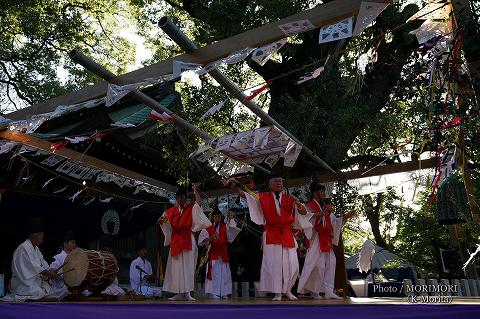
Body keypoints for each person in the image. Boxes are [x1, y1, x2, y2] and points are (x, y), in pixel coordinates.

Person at [228, 173, 312, 301]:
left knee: (292, 264)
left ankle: (288, 290)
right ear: (269, 184)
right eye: (276, 180)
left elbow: (304, 212)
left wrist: (299, 204)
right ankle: (277, 292)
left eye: (280, 180)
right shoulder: (262, 197)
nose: (279, 183)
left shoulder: (290, 198)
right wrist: (235, 187)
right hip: (271, 233)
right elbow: (246, 196)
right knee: (274, 264)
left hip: (287, 234)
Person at [297, 182, 355, 299]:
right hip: (316, 238)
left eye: (323, 191)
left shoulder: (325, 207)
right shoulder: (308, 206)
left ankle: (328, 290)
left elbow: (334, 221)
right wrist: (320, 213)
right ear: (314, 193)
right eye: (321, 191)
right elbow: (305, 218)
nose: (323, 194)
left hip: (326, 238)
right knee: (317, 265)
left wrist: (345, 217)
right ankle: (314, 291)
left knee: (330, 263)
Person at [158, 183, 211, 301]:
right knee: (176, 268)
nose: (179, 199)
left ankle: (187, 293)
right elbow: (163, 220)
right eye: (178, 197)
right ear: (176, 198)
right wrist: (161, 221)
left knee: (188, 267)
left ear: (185, 197)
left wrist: (195, 190)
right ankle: (178, 293)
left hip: (188, 238)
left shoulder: (191, 208)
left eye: (182, 197)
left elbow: (200, 204)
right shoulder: (171, 211)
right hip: (176, 240)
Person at [1, 218, 57, 302]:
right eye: (40, 234)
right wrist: (48, 273)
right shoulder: (23, 247)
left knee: (51, 292)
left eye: (42, 234)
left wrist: (50, 270)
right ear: (32, 236)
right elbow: (34, 266)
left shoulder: (36, 249)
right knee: (37, 292)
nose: (42, 237)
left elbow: (43, 263)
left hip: (34, 282)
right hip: (23, 283)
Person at [198, 208, 241, 299]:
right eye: (216, 216)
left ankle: (224, 293)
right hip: (213, 254)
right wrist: (210, 238)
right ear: (213, 218)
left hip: (223, 253)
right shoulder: (208, 228)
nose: (217, 218)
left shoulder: (225, 226)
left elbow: (232, 233)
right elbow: (201, 241)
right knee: (214, 274)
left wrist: (231, 218)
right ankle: (213, 292)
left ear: (221, 217)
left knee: (225, 274)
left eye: (219, 217)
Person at [49, 230, 76, 300]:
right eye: (72, 242)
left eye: (74, 243)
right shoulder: (58, 257)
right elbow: (52, 274)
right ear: (65, 244)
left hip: (74, 287)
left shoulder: (76, 257)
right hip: (60, 289)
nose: (74, 245)